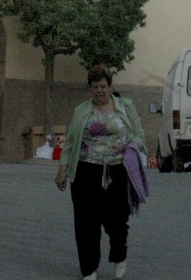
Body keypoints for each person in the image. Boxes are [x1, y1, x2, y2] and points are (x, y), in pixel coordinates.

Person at [55, 65, 147, 280]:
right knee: (86, 222)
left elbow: (140, 135)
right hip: (85, 171)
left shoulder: (126, 107)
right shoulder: (81, 111)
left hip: (117, 171)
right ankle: (89, 269)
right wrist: (62, 169)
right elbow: (70, 143)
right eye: (95, 87)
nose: (100, 90)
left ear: (110, 86)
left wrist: (132, 148)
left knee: (117, 221)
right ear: (90, 88)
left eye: (103, 86)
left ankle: (119, 255)